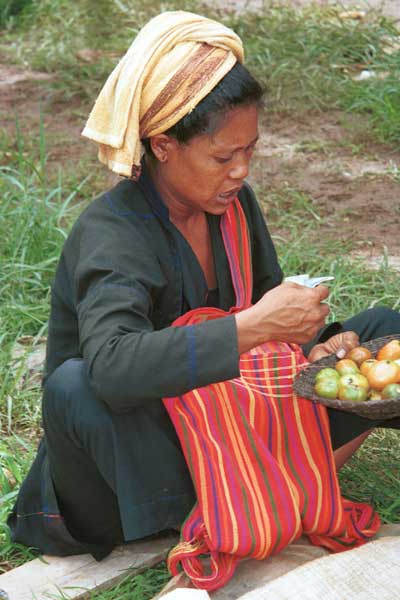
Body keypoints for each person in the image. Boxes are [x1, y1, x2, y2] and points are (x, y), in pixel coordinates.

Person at [8, 10, 400, 562]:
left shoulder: (232, 206)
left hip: (224, 420)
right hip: (128, 467)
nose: (240, 171)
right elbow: (115, 371)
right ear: (164, 145)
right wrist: (254, 326)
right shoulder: (113, 233)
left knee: (383, 332)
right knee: (75, 386)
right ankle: (215, 510)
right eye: (223, 156)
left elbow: (267, 321)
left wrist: (317, 343)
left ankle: (248, 492)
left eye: (250, 151)